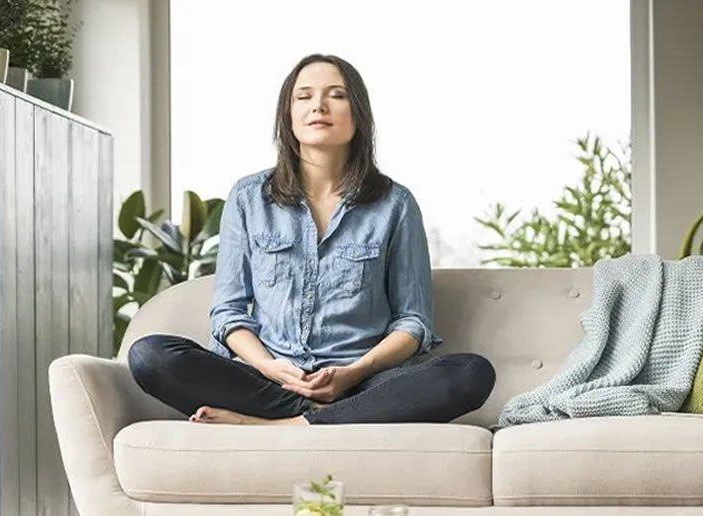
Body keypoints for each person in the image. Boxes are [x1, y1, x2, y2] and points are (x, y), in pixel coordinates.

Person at [128, 53, 495, 425]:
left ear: (358, 115)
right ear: (287, 116)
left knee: (471, 373)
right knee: (150, 355)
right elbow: (229, 313)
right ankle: (324, 419)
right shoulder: (249, 197)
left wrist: (352, 373)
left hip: (363, 384)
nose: (318, 105)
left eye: (336, 95)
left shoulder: (395, 204)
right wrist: (269, 367)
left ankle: (283, 426)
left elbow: (413, 323)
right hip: (268, 382)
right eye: (303, 96)